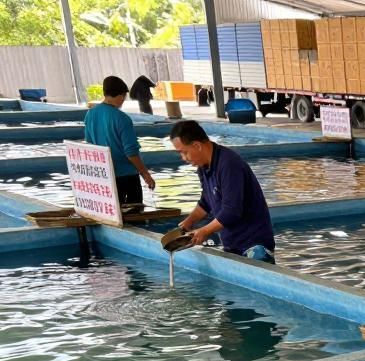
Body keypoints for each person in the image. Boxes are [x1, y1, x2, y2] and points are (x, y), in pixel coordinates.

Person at [170, 120, 276, 263]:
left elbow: (232, 210)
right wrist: (189, 222)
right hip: (232, 244)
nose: (184, 158)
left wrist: (205, 231)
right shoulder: (204, 167)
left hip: (254, 245)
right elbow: (206, 202)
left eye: (184, 152)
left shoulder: (229, 164)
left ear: (197, 146)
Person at [83, 75, 155, 205]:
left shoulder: (90, 114)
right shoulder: (122, 118)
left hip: (105, 175)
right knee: (133, 212)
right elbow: (131, 152)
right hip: (126, 175)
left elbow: (89, 144)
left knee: (111, 210)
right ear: (121, 96)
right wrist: (146, 175)